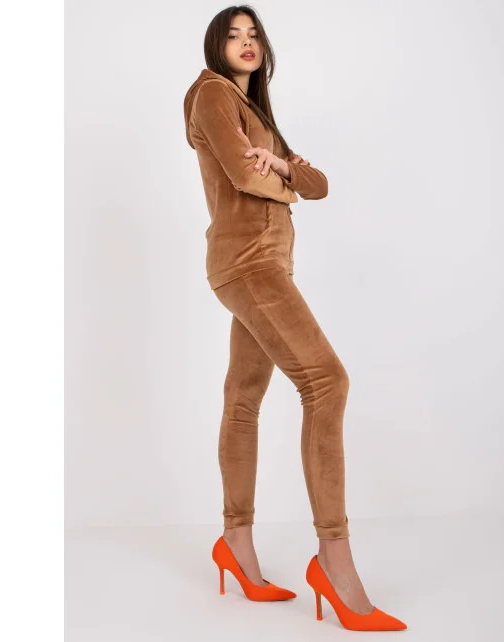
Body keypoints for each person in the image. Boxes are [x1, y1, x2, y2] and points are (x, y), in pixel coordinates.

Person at [183, 6, 406, 632]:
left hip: (265, 266)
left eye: (254, 34)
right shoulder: (210, 94)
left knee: (243, 399)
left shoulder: (256, 114)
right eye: (234, 34)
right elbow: (241, 175)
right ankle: (334, 561)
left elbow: (320, 183)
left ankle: (236, 544)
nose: (246, 42)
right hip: (249, 264)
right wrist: (281, 179)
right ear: (216, 45)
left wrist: (279, 164)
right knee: (327, 382)